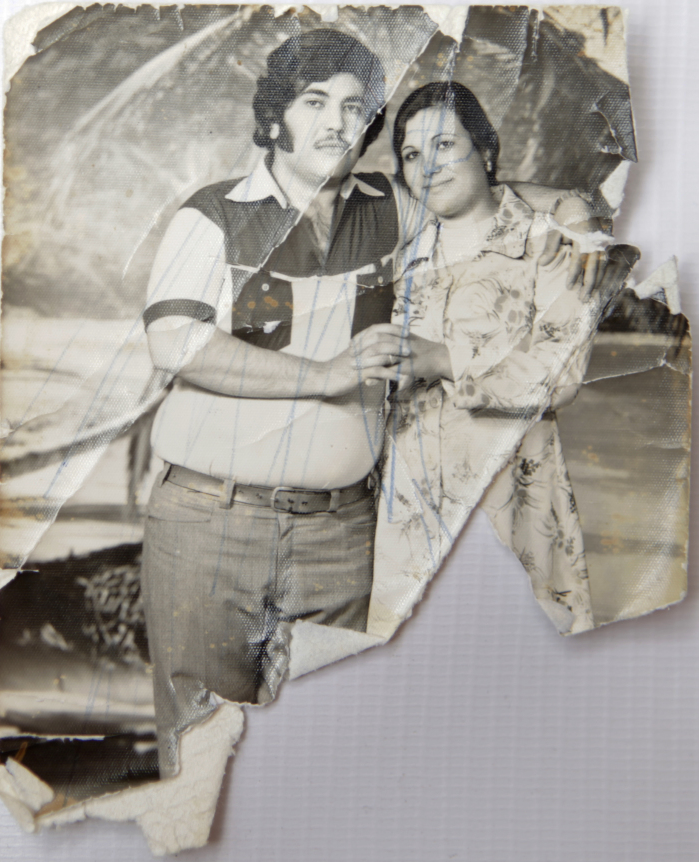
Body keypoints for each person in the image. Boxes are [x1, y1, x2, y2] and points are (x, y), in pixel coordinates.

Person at [140, 32, 603, 776]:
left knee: (326, 754)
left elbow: (485, 197)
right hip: (210, 527)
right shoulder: (211, 215)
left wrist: (572, 209)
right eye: (315, 101)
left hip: (347, 536)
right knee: (203, 753)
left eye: (355, 107)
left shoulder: (392, 207)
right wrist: (319, 376)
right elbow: (174, 342)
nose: (335, 122)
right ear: (274, 117)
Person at [368, 82, 624, 641]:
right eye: (412, 154)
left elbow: (562, 371)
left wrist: (443, 358)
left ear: (486, 152)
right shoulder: (403, 253)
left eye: (443, 145)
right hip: (411, 508)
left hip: (513, 502)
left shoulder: (551, 240)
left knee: (520, 670)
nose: (427, 166)